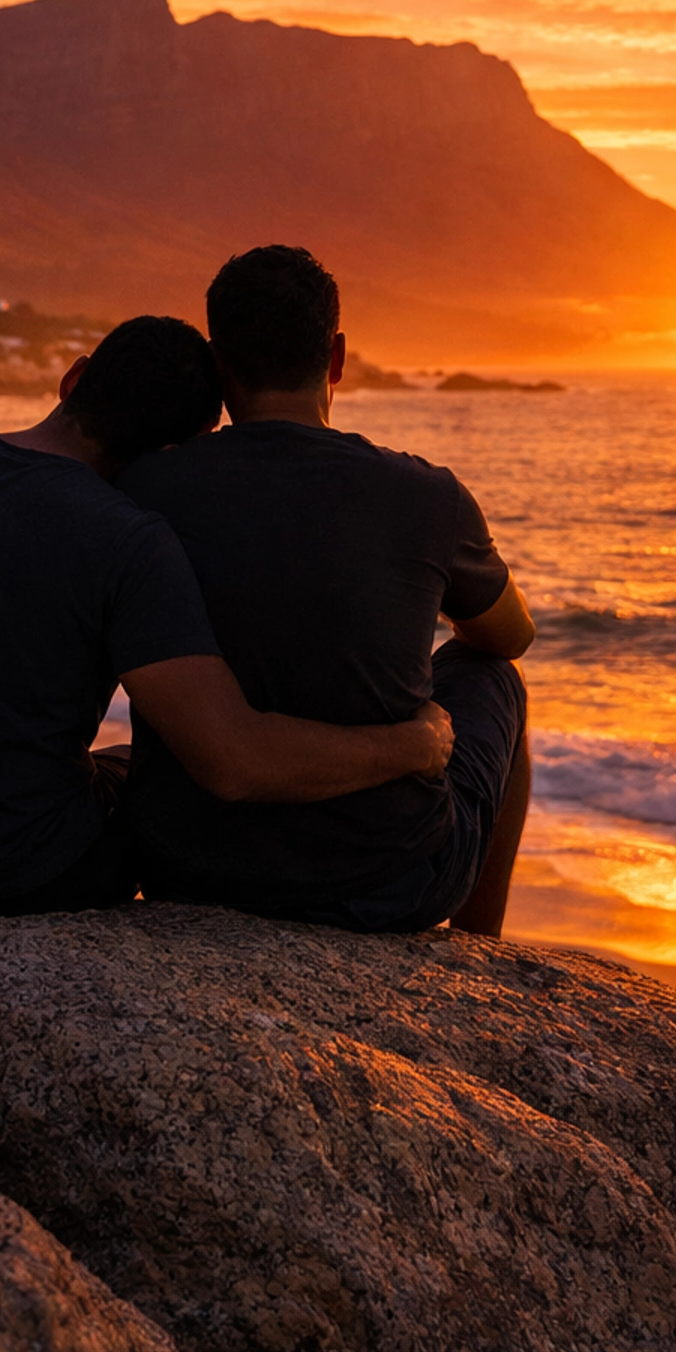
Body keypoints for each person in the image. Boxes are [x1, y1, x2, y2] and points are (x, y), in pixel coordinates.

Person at [0, 314, 454, 921]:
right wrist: (409, 745)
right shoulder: (125, 541)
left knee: (128, 763)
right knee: (165, 787)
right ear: (181, 449)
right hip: (6, 880)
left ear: (74, 377)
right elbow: (235, 761)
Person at [120, 246, 535, 936]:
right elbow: (509, 636)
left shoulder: (144, 488)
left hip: (189, 869)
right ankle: (476, 956)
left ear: (220, 368)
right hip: (392, 881)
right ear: (336, 357)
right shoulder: (427, 496)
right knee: (494, 676)